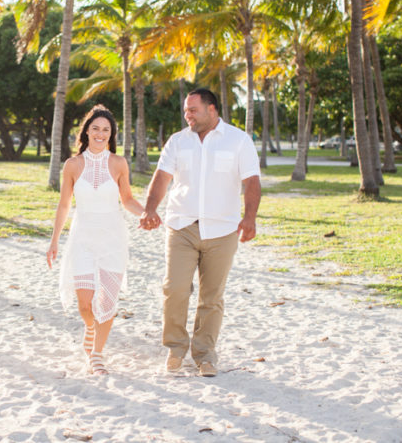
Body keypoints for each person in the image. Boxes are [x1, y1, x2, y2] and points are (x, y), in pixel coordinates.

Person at [140, 88, 261, 377]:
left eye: (193, 109)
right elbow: (162, 178)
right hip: (182, 226)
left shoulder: (238, 140)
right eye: (186, 110)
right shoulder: (178, 141)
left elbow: (252, 181)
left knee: (212, 296)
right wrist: (150, 208)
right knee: (175, 289)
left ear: (212, 110)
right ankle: (175, 347)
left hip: (222, 230)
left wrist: (250, 218)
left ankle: (205, 355)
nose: (188, 115)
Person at [47, 105, 145, 375]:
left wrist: (147, 213)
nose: (101, 134)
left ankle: (98, 354)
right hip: (83, 238)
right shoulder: (72, 165)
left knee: (108, 301)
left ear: (111, 134)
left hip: (113, 237)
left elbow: (126, 199)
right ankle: (90, 328)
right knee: (85, 304)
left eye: (106, 129)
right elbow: (64, 205)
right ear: (86, 131)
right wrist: (54, 240)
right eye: (96, 128)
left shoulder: (119, 163)